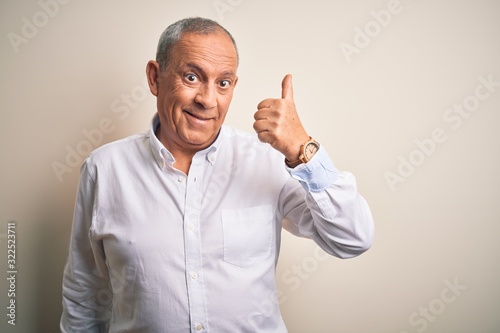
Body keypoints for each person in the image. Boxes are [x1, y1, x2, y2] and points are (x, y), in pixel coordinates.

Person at [60, 17, 374, 333]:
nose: (208, 100)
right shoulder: (104, 169)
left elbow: (352, 239)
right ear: (156, 78)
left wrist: (303, 149)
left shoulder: (268, 160)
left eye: (222, 83)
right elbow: (84, 295)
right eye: (192, 77)